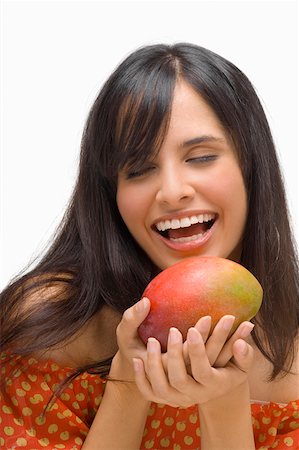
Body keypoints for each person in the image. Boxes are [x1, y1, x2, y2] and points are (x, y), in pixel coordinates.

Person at [1, 43, 298, 450]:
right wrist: (128, 385)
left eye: (201, 157)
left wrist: (224, 403)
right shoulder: (50, 328)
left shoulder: (293, 359)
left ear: (251, 166)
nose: (173, 192)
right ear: (111, 194)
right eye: (140, 169)